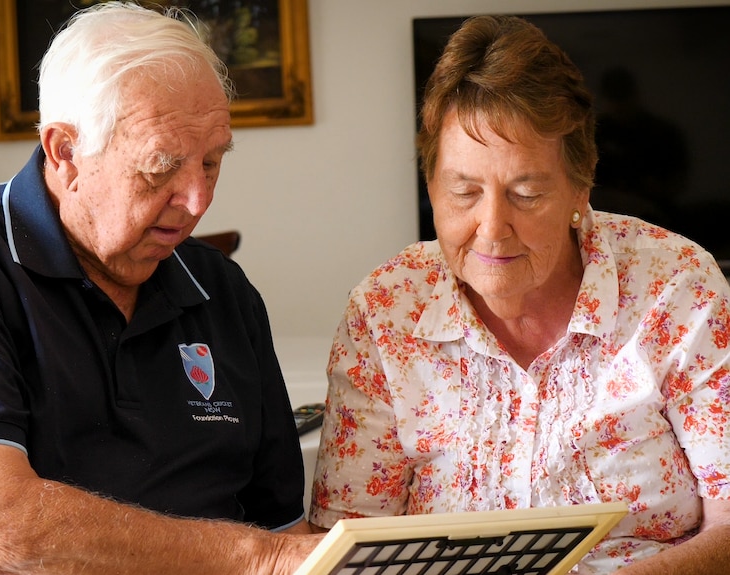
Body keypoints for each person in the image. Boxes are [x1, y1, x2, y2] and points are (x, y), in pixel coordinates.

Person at [0, 3, 321, 573]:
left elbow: (284, 529)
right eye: (161, 167)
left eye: (211, 162)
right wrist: (257, 558)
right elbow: (1, 534)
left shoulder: (221, 289)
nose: (198, 201)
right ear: (65, 152)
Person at [309, 14, 730, 575]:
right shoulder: (386, 312)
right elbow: (347, 539)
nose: (491, 227)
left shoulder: (677, 287)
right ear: (431, 184)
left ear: (582, 185)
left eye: (526, 193)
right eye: (463, 192)